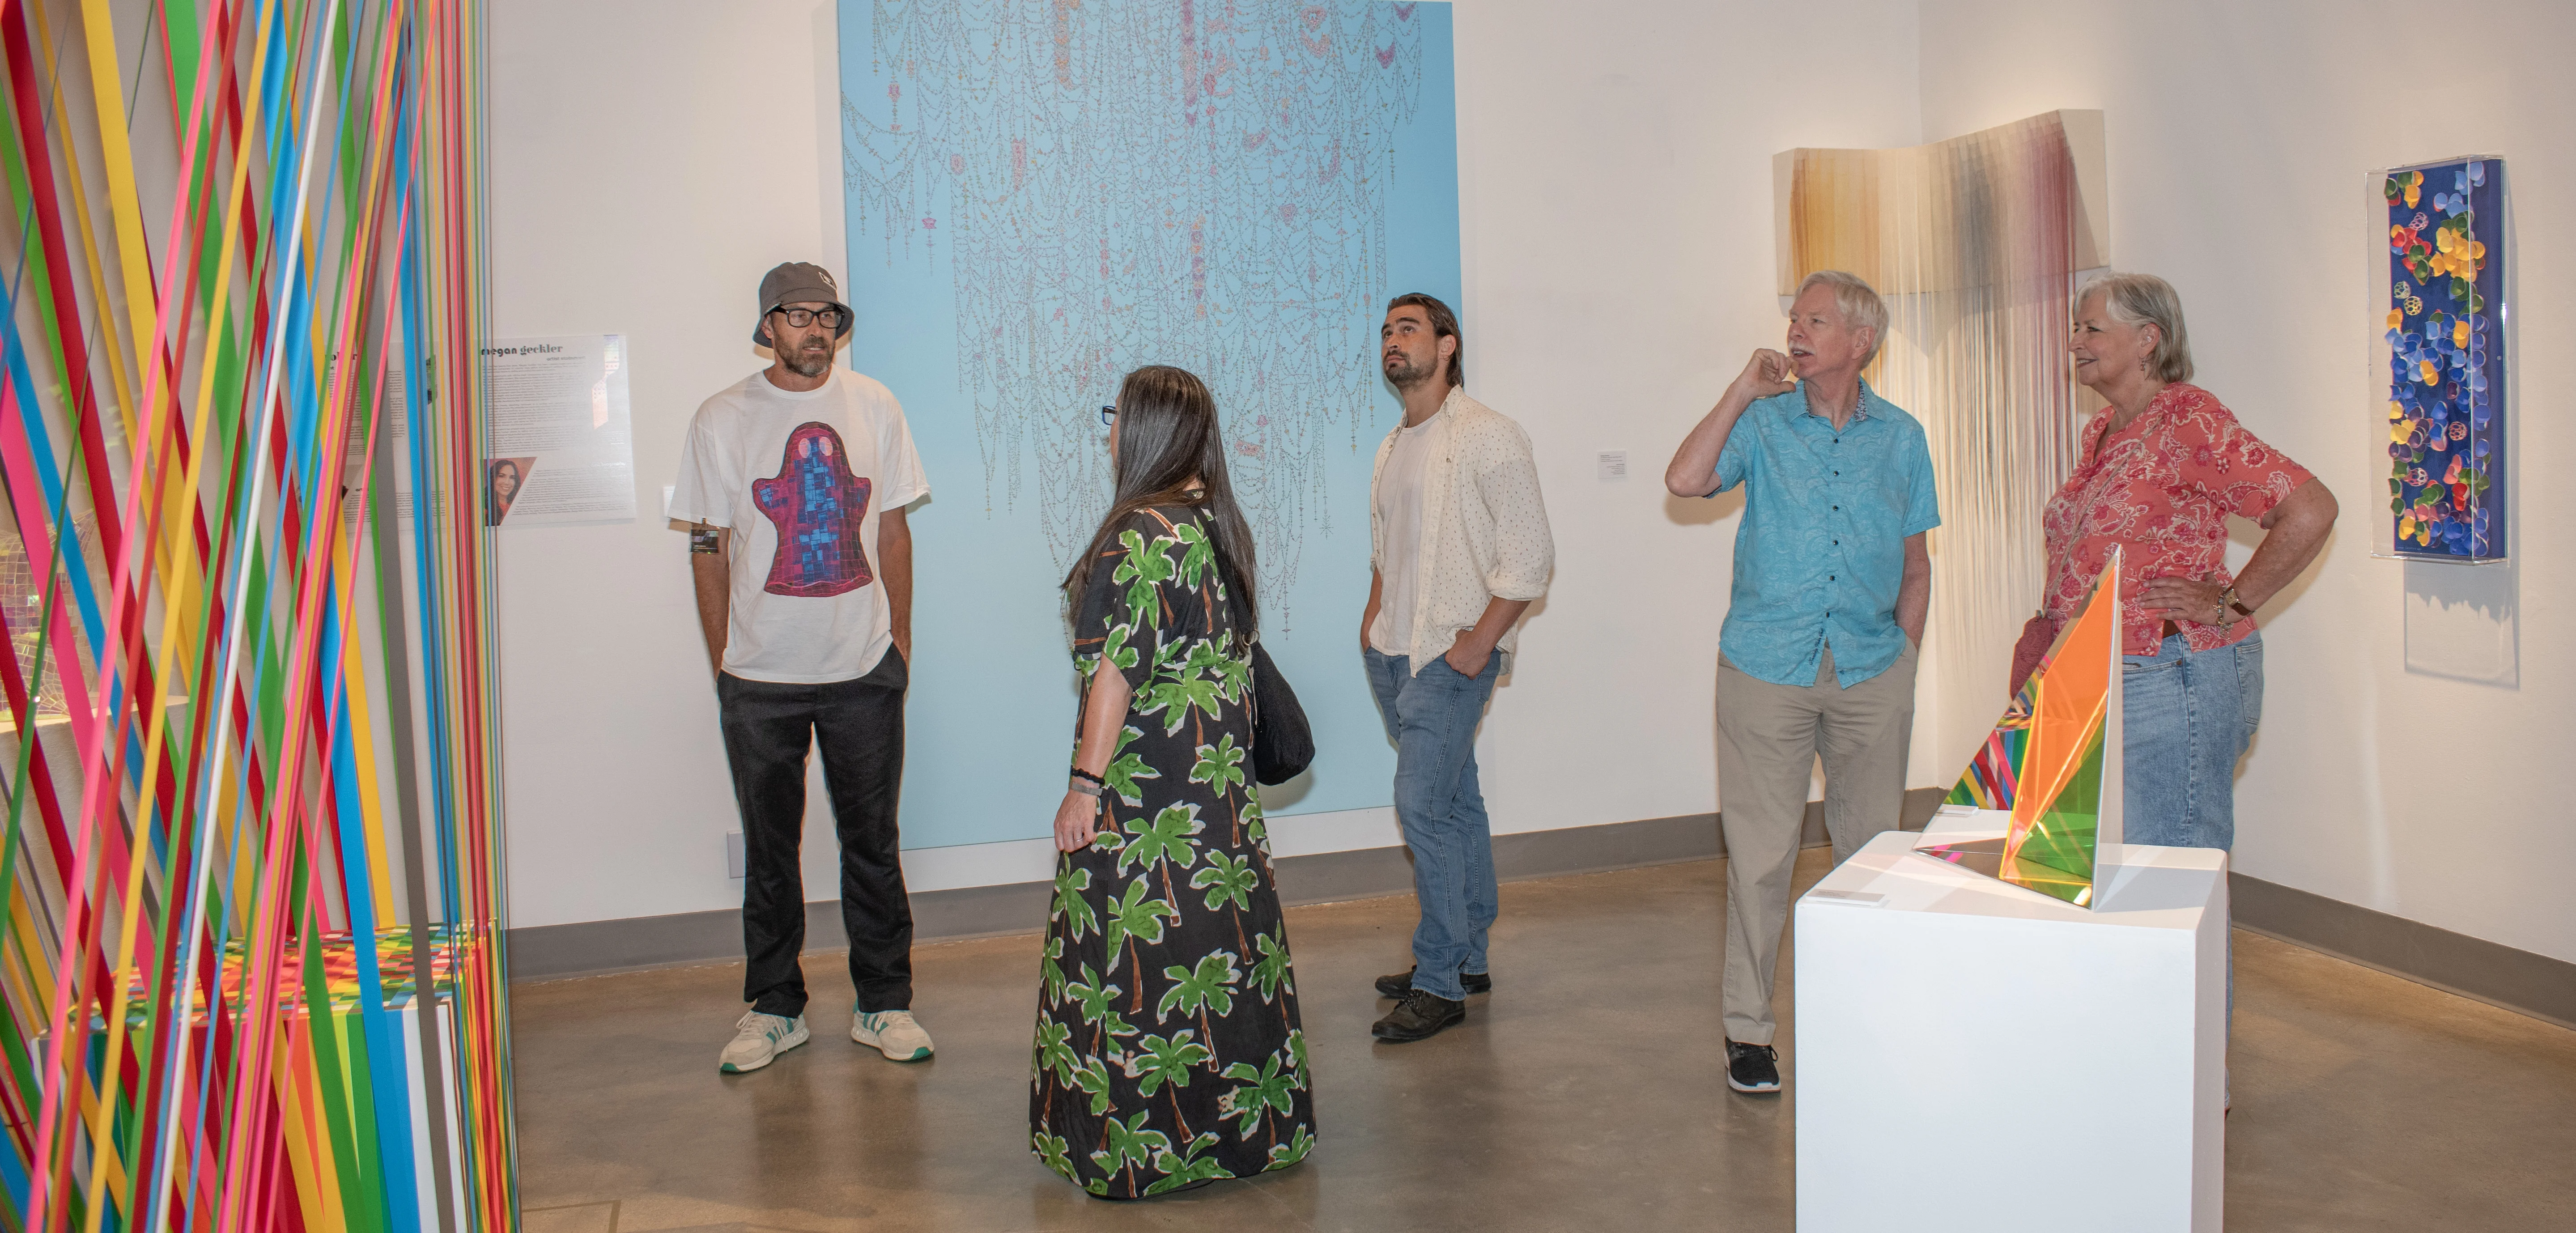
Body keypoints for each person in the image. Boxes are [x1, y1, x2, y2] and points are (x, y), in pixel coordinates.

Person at [1033, 365, 1315, 1199]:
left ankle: (1137, 1149)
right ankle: (1244, 1136)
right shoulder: (1211, 528)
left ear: (1147, 429)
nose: (1108, 430)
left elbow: (1116, 674)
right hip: (1215, 801)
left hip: (1148, 799)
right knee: (1222, 952)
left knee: (1134, 964)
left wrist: (1084, 787)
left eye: (1115, 415)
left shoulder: (1138, 534)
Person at [1663, 270, 1938, 1096]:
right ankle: (1748, 1032)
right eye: (1793, 317)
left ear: (1860, 341)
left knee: (1871, 855)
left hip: (1869, 669)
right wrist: (1737, 391)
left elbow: (1917, 565)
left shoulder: (1901, 437)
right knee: (1759, 857)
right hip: (1764, 667)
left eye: (1814, 320)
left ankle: (1862, 1014)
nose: (1795, 331)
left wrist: (1903, 661)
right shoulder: (1763, 422)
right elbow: (1684, 480)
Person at [2040, 272, 2334, 1015]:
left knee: (2169, 881)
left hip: (2171, 676)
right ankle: (2142, 1056)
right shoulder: (2101, 431)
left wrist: (2230, 599)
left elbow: (2308, 508)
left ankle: (2197, 1091)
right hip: (2098, 676)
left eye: (2090, 328)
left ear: (2147, 341)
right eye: (2075, 328)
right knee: (2111, 875)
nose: (2074, 341)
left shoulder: (2188, 422)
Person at [671, 261, 933, 1073]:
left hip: (862, 667)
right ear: (767, 328)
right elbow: (707, 543)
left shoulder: (875, 404)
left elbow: (892, 531)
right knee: (770, 847)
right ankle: (775, 1005)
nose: (814, 328)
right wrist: (726, 660)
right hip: (760, 676)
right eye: (796, 315)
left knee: (872, 842)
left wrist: (900, 644)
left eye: (826, 315)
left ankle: (884, 1002)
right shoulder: (721, 418)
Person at [1362, 292, 1554, 1044]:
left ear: (1448, 345)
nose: (1391, 341)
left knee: (1423, 810)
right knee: (1456, 802)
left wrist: (1475, 646)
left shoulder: (1489, 436)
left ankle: (1438, 981)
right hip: (1392, 654)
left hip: (1448, 656)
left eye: (1407, 329)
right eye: (1385, 331)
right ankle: (1469, 952)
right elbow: (1386, 550)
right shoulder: (1392, 445)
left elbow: (1531, 558)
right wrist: (1370, 623)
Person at [487, 458, 523, 525]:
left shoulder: (520, 506)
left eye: (512, 478)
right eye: (501, 476)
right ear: (493, 478)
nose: (507, 482)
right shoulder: (484, 509)